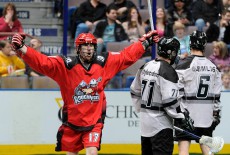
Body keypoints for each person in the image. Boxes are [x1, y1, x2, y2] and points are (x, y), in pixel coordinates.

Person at [10, 30, 160, 155]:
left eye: (91, 45)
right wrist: (22, 48)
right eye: (85, 45)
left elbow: (125, 56)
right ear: (78, 48)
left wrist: (144, 43)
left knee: (92, 152)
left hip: (94, 122)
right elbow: (43, 62)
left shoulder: (104, 62)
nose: (89, 48)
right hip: (72, 122)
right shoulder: (65, 65)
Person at [130, 37, 194, 155]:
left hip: (145, 125)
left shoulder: (146, 66)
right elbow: (170, 101)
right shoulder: (168, 71)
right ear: (172, 53)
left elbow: (134, 90)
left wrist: (142, 109)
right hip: (161, 126)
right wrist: (181, 116)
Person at [175, 30, 222, 155]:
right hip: (206, 116)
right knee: (207, 150)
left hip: (186, 115)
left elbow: (176, 92)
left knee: (183, 149)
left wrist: (179, 113)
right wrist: (215, 115)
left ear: (190, 44)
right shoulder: (213, 67)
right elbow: (217, 96)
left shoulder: (183, 65)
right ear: (204, 44)